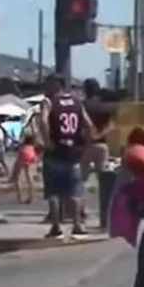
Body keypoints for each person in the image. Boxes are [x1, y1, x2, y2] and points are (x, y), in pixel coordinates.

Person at [37, 75, 95, 238]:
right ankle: (77, 224)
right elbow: (89, 125)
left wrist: (47, 141)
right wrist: (85, 145)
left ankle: (56, 225)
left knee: (54, 190)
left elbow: (43, 121)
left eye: (47, 85)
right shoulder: (77, 102)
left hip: (55, 151)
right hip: (73, 152)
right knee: (75, 190)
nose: (45, 88)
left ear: (55, 85)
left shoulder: (48, 102)